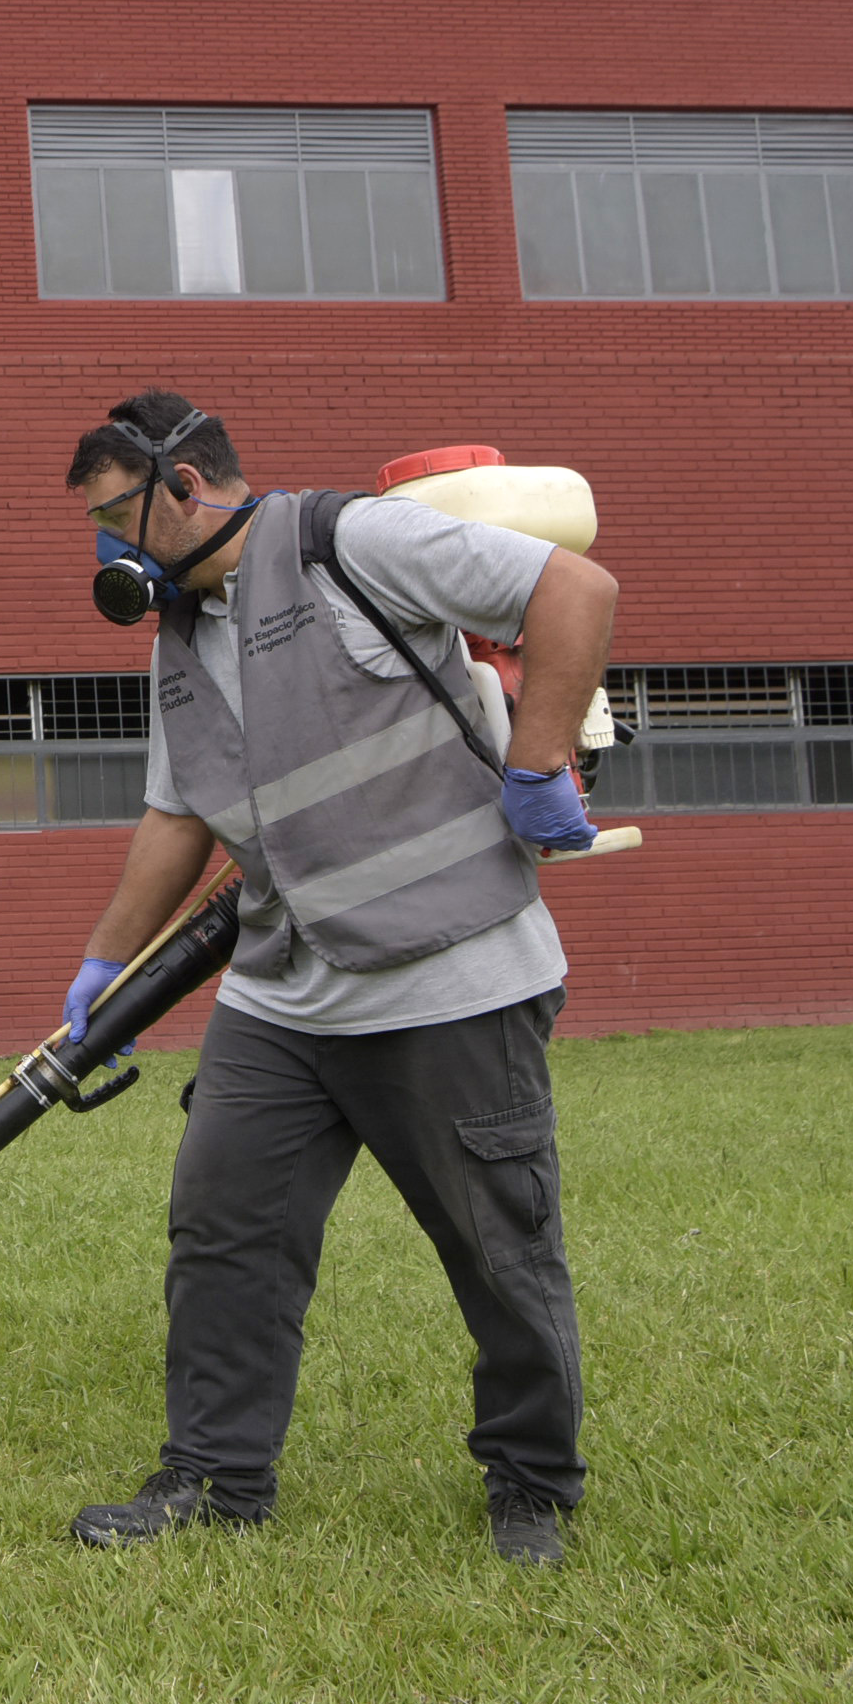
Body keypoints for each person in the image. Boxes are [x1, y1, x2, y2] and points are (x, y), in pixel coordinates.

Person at [57, 390, 618, 1567]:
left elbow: (573, 591)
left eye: (115, 515)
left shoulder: (352, 542)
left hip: (450, 972)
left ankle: (531, 1483)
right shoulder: (181, 640)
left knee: (497, 1247)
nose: (107, 548)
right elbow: (175, 814)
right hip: (281, 991)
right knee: (222, 1227)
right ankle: (214, 1475)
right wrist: (104, 964)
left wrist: (537, 757)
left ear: (184, 486)